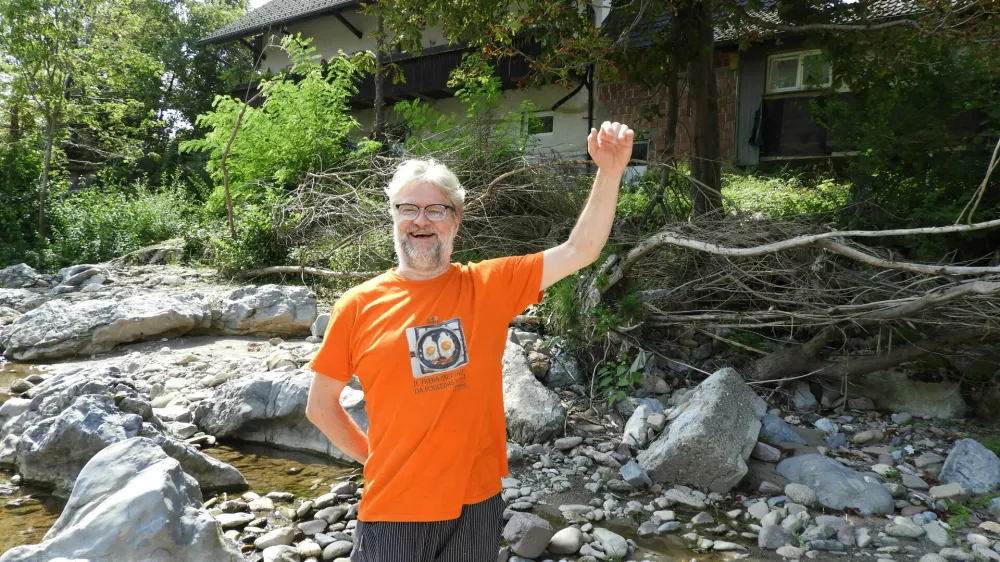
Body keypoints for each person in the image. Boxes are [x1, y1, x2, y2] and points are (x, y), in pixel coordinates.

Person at [305, 121, 635, 561]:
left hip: (475, 503)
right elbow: (320, 405)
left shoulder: (489, 285)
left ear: (455, 220)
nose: (421, 220)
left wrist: (609, 173)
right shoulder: (357, 304)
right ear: (394, 217)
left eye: (436, 209)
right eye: (409, 209)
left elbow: (582, 249)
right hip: (394, 507)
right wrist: (374, 460)